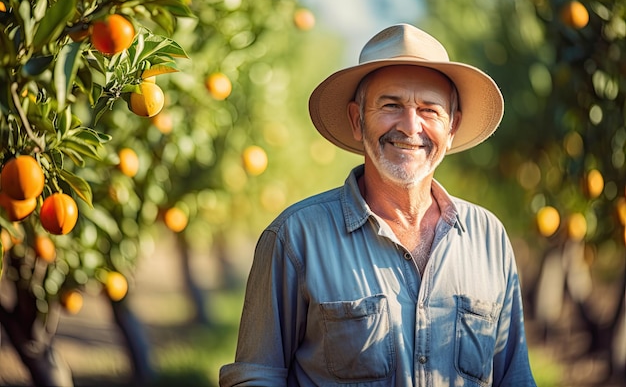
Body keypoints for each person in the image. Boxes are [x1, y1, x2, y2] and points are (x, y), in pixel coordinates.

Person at [219, 23, 537, 386]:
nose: (410, 126)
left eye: (429, 110)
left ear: (452, 129)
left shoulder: (488, 238)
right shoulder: (296, 237)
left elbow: (514, 376)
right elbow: (257, 376)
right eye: (391, 105)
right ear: (357, 120)